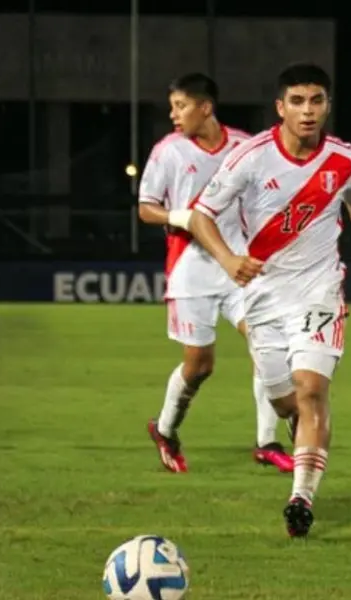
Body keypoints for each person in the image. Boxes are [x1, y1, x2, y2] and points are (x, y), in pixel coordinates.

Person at [186, 64, 351, 538]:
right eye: (298, 102)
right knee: (286, 403)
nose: (308, 111)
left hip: (319, 290)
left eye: (317, 101)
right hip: (262, 297)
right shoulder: (251, 157)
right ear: (280, 108)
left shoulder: (345, 158)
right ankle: (297, 431)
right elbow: (201, 216)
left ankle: (301, 497)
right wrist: (228, 260)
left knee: (312, 390)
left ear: (327, 105)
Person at [136, 73, 294, 475]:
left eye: (181, 106)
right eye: (172, 107)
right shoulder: (168, 152)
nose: (174, 115)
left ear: (205, 107)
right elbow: (145, 207)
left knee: (267, 345)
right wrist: (181, 216)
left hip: (239, 267)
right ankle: (165, 429)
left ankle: (266, 441)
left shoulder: (243, 147)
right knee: (200, 365)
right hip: (191, 269)